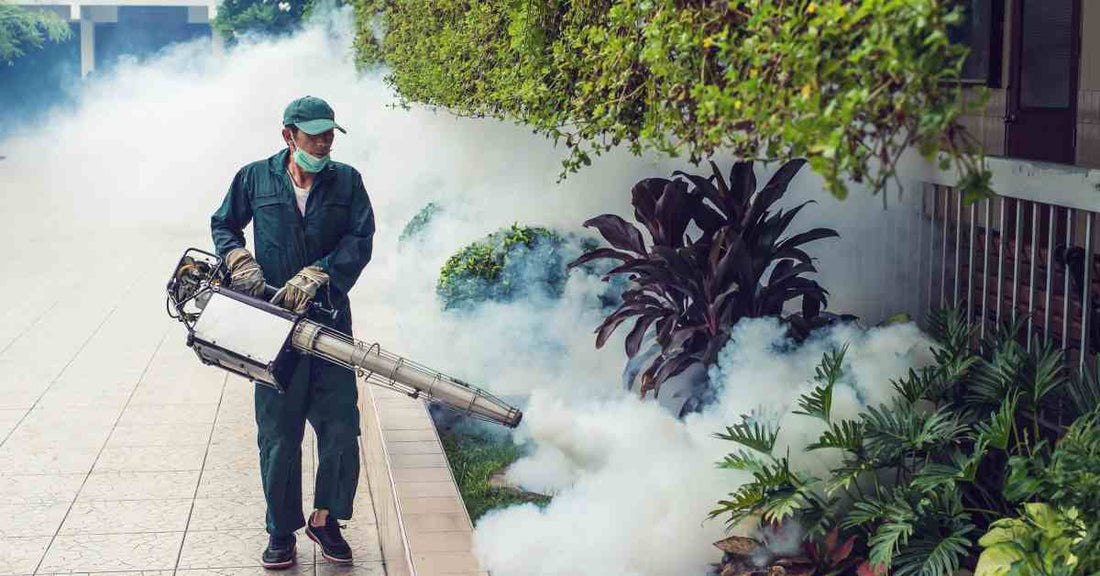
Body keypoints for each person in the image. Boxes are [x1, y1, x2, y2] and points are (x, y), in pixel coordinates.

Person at [210, 95, 376, 569]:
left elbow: (361, 238)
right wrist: (237, 257)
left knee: (341, 426)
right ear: (289, 135)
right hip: (273, 328)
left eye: (329, 134)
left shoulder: (347, 181)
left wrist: (321, 273)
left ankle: (326, 521)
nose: (323, 142)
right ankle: (281, 531)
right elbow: (224, 224)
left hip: (328, 323)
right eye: (314, 134)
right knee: (279, 434)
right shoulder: (254, 177)